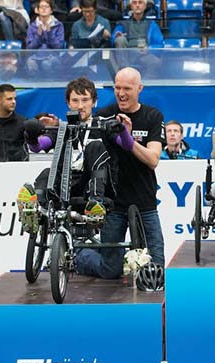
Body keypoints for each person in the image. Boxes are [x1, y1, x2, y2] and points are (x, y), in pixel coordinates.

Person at [75, 67, 166, 279]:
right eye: (117, 88)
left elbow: (153, 160)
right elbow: (90, 154)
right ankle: (79, 256)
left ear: (139, 88)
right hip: (112, 202)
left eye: (127, 88)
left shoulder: (153, 115)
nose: (121, 93)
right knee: (110, 271)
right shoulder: (104, 115)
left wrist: (128, 139)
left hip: (145, 200)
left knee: (158, 269)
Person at [16, 77, 118, 232]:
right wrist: (31, 135)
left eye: (85, 100)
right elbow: (38, 146)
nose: (80, 106)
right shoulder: (62, 128)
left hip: (97, 182)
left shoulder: (104, 124)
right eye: (75, 101)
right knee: (47, 173)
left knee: (95, 146)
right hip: (68, 184)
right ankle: (35, 212)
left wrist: (124, 133)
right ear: (68, 103)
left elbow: (126, 144)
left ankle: (95, 203)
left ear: (94, 102)